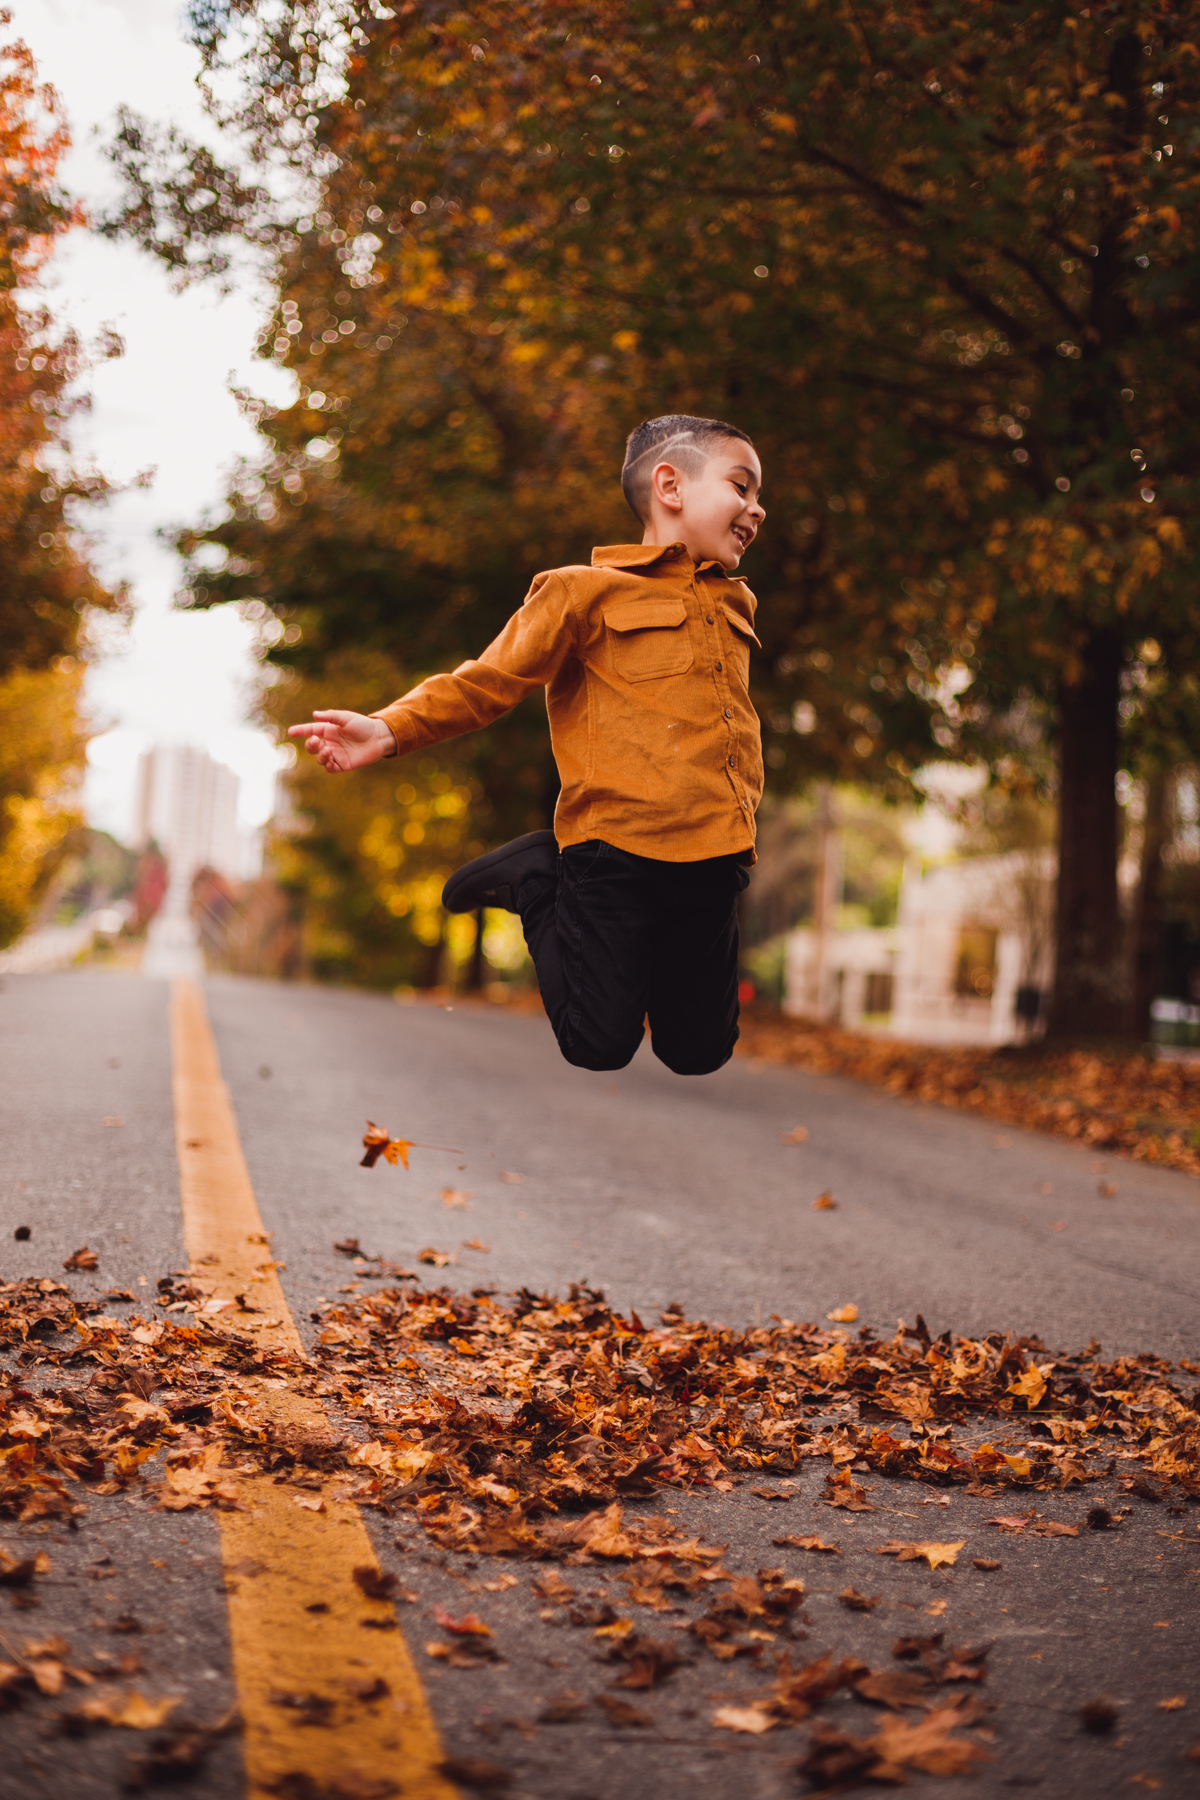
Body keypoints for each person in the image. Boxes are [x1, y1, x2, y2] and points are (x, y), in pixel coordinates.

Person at [289, 413, 766, 1075]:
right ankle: (539, 878)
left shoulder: (738, 605)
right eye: (741, 487)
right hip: (614, 848)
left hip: (713, 854)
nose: (756, 508)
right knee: (597, 1043)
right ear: (670, 486)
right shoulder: (581, 593)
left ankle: (638, 962)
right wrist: (392, 727)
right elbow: (488, 682)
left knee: (698, 1052)